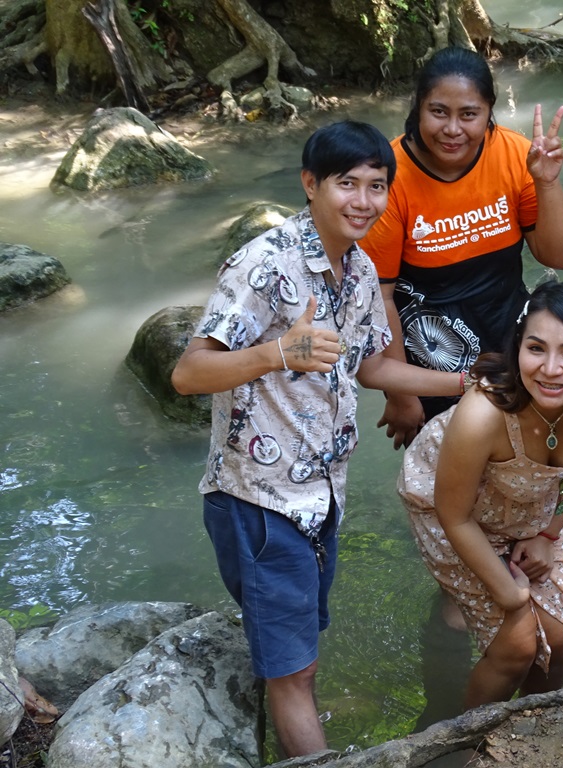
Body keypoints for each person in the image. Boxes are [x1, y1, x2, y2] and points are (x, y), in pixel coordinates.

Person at [170, 120, 466, 758]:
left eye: (377, 186)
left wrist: (465, 381)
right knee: (295, 672)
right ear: (310, 185)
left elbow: (372, 368)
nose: (363, 200)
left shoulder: (359, 270)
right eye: (347, 184)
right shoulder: (264, 261)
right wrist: (278, 352)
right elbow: (188, 373)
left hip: (320, 497)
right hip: (259, 500)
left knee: (298, 656)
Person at [360, 45, 563, 498]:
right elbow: (380, 295)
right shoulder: (390, 179)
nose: (452, 129)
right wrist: (401, 393)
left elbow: (560, 256)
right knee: (481, 459)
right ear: (417, 108)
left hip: (508, 314)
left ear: (489, 111)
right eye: (438, 112)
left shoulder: (514, 155)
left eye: (468, 114)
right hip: (433, 337)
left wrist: (546, 182)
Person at [399, 280, 563, 708]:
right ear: (517, 349)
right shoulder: (482, 414)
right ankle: (460, 745)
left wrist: (548, 535)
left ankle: (533, 734)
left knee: (560, 640)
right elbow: (453, 515)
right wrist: (511, 596)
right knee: (516, 649)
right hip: (455, 509)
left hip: (537, 502)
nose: (550, 370)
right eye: (536, 349)